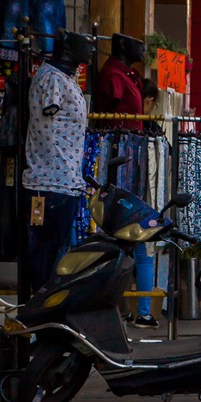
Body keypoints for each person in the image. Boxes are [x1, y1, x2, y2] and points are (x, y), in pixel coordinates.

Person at [21, 30, 94, 300]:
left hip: (65, 183)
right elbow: (48, 117)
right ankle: (38, 320)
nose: (89, 50)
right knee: (45, 260)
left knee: (55, 258)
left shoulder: (65, 78)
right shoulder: (52, 79)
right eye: (84, 45)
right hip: (49, 183)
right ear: (67, 49)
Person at [94, 34, 160, 327]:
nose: (142, 48)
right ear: (122, 47)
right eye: (136, 43)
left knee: (142, 235)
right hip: (116, 159)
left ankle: (144, 310)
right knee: (119, 237)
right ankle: (111, 308)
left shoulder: (129, 76)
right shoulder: (113, 76)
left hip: (133, 158)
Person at [94, 33, 147, 116]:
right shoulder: (114, 75)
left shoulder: (127, 74)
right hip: (119, 128)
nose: (143, 49)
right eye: (138, 44)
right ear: (122, 44)